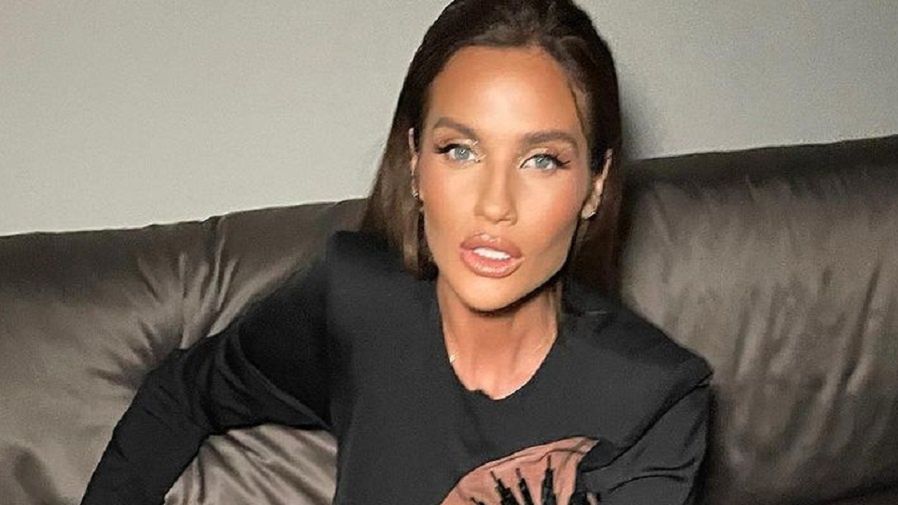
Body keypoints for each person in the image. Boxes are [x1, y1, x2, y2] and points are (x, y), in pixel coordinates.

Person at [82, 0, 712, 503]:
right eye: (460, 150)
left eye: (541, 159)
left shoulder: (654, 398)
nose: (495, 204)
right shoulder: (359, 304)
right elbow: (184, 392)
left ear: (595, 186)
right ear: (414, 163)